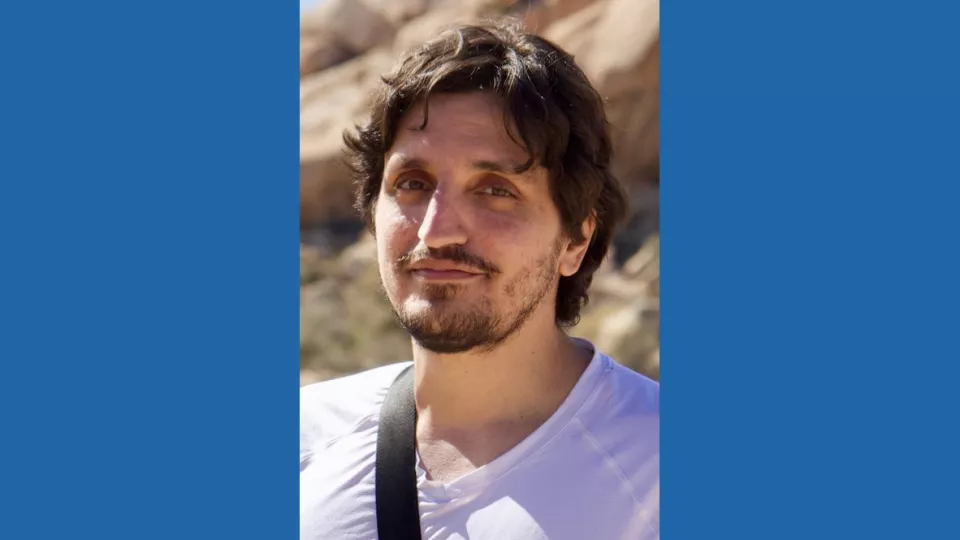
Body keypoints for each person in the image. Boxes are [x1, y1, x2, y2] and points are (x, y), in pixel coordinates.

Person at [300, 20, 659, 540]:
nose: (437, 230)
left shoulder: (652, 470)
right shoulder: (307, 440)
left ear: (576, 240)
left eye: (495, 190)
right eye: (413, 183)